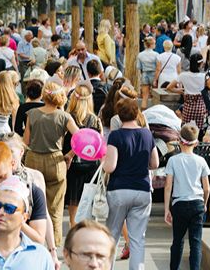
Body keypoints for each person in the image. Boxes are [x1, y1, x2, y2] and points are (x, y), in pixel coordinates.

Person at [102, 97, 159, 270]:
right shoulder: (147, 134)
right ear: (137, 114)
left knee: (112, 236)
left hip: (119, 189)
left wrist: (103, 160)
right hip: (141, 189)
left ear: (119, 115)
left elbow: (110, 167)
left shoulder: (116, 135)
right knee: (137, 238)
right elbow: (155, 163)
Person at [22, 82, 79, 245]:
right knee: (55, 206)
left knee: (33, 201)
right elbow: (81, 138)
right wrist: (69, 154)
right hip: (56, 161)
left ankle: (34, 239)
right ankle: (53, 243)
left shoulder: (31, 113)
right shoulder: (64, 117)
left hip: (33, 159)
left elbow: (26, 141)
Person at [164, 122, 210, 270]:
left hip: (179, 204)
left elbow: (168, 186)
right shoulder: (201, 161)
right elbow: (207, 187)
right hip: (197, 202)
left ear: (179, 140)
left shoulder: (173, 160)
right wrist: (204, 203)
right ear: (196, 142)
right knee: (195, 243)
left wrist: (167, 209)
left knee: (177, 241)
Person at [65, 84, 103, 228]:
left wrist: (69, 154)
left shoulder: (69, 117)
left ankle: (74, 234)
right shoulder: (95, 120)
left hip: (73, 165)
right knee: (87, 203)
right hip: (91, 165)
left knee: (73, 206)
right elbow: (100, 144)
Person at [167, 52, 207, 131]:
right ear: (200, 64)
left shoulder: (183, 75)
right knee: (200, 130)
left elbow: (169, 87)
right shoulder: (204, 76)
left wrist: (180, 91)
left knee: (186, 130)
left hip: (188, 106)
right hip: (201, 106)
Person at [137, 36, 159, 110]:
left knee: (145, 96)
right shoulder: (156, 54)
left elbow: (139, 67)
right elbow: (158, 67)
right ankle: (155, 111)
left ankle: (143, 113)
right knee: (156, 96)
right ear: (152, 44)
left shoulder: (140, 54)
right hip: (154, 75)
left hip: (145, 74)